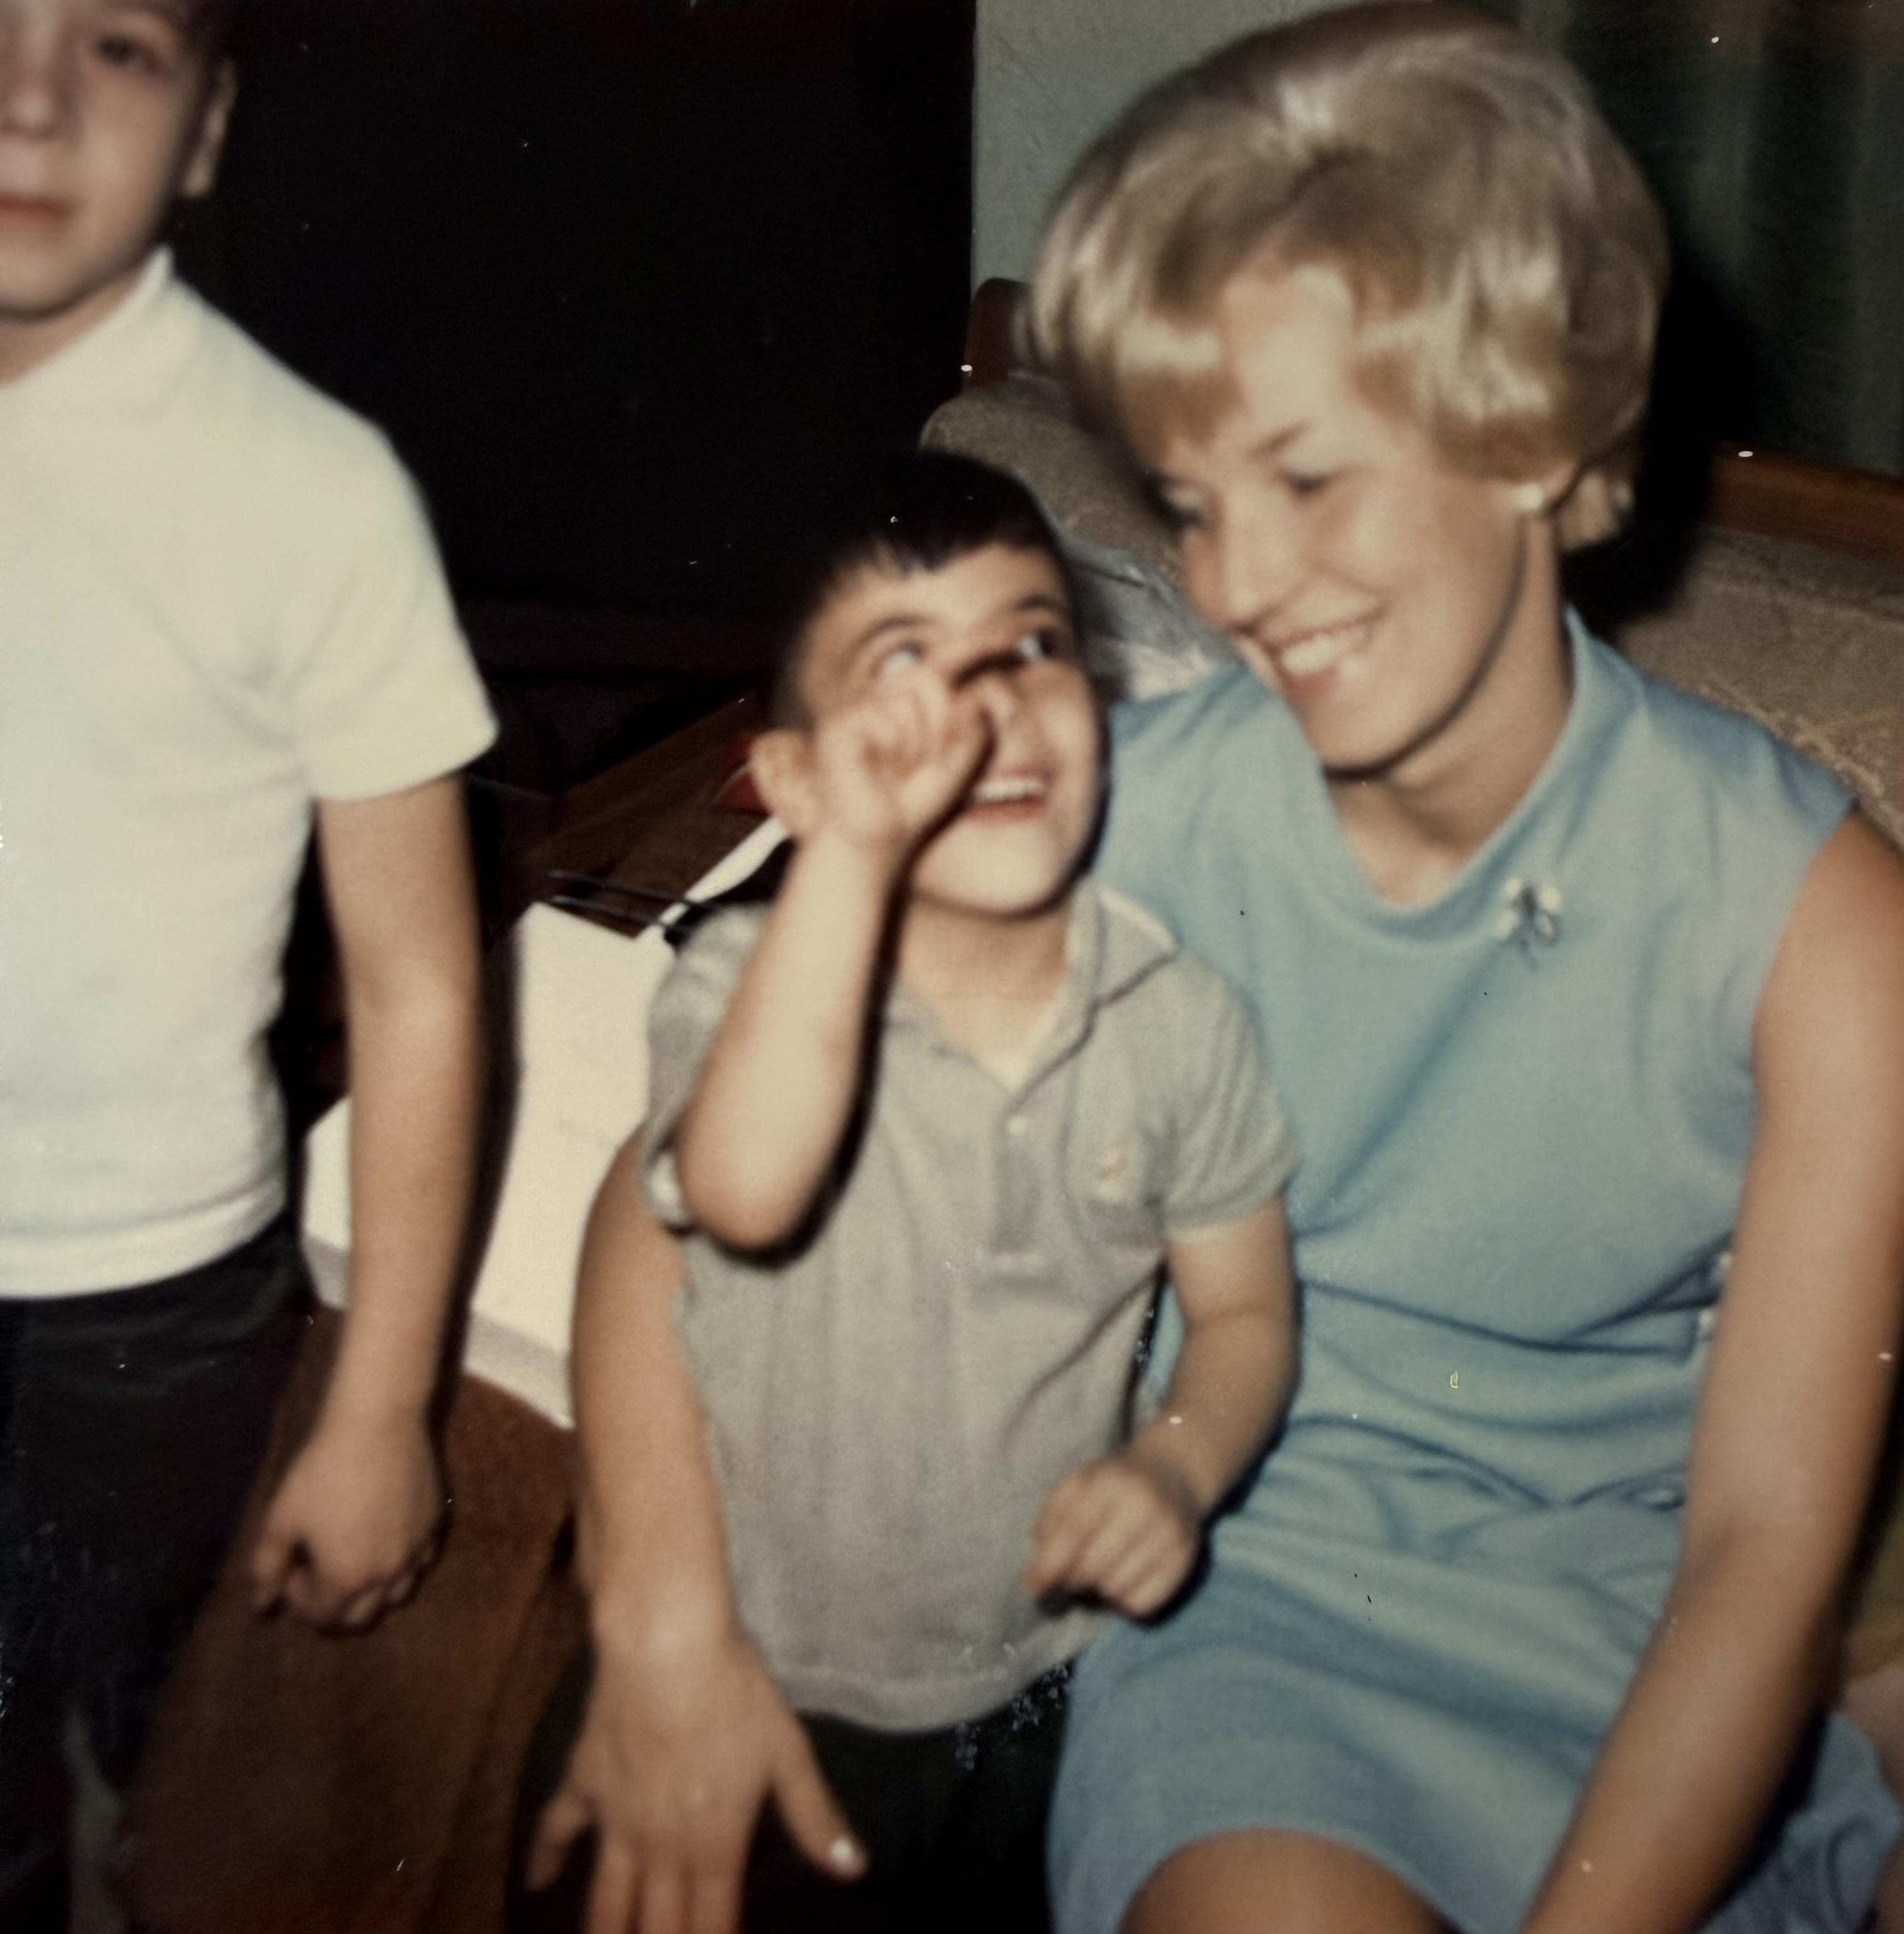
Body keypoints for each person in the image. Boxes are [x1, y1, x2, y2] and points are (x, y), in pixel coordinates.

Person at [1015, 5, 1904, 1931]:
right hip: (1257, 1633)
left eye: (1305, 479)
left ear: (1528, 415)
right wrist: (668, 1615)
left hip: (1657, 1676)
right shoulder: (1125, 825)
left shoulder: (1821, 930)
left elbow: (1759, 1551)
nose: (1236, 581)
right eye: (1187, 501)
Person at [519, 451, 1300, 1933]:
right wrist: (849, 857)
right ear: (796, 776)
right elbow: (743, 1191)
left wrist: (1180, 1463)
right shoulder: (743, 988)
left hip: (1026, 1695)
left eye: (1029, 647)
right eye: (903, 681)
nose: (982, 713)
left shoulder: (1176, 1016)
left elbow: (1245, 1306)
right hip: (756, 1668)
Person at [0, 0, 496, 1923]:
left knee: (155, 1711)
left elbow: (425, 983)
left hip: (154, 1290)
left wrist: (383, 1405)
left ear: (205, 132)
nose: (34, 98)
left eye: (116, 48)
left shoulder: (309, 489)